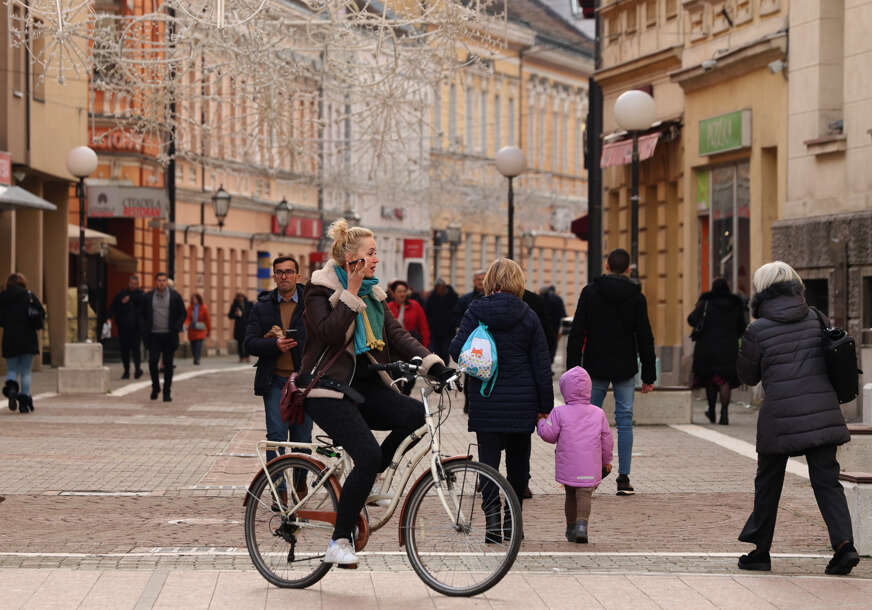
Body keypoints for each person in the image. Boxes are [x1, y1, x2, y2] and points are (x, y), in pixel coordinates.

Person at [301, 219, 454, 566]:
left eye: (376, 253)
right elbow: (330, 333)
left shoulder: (373, 294)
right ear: (350, 259)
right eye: (371, 253)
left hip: (364, 386)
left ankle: (370, 479)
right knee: (367, 454)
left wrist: (434, 364)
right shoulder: (318, 291)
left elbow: (397, 336)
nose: (377, 259)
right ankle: (339, 541)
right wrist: (350, 292)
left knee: (415, 414)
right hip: (327, 390)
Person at [736, 261, 859, 576]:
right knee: (827, 481)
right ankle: (845, 546)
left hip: (780, 416)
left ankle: (760, 551)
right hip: (822, 413)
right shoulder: (816, 317)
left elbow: (748, 376)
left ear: (761, 290)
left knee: (768, 481)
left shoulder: (758, 329)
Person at [450, 258, 553, 543]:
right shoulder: (528, 315)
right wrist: (545, 407)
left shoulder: (475, 311)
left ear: (490, 281)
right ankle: (514, 522)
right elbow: (541, 365)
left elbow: (457, 349)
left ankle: (492, 524)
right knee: (519, 466)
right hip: (522, 402)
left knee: (488, 465)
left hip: (486, 398)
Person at [566, 248, 656, 496]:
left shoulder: (590, 293)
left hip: (594, 366)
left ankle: (588, 474)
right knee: (625, 420)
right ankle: (623, 476)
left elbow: (578, 332)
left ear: (606, 265)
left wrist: (573, 368)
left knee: (588, 421)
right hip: (625, 366)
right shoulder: (636, 297)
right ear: (627, 269)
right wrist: (649, 375)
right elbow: (645, 336)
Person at [244, 256, 310, 496]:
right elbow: (249, 342)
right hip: (274, 382)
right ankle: (279, 489)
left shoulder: (311, 304)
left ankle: (300, 483)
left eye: (289, 272)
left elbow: (323, 338)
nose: (284, 276)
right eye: (280, 272)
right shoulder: (262, 307)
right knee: (276, 437)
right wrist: (274, 345)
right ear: (274, 276)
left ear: (297, 276)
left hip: (303, 381)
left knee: (302, 438)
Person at [537, 366, 613, 543]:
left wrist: (540, 421)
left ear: (565, 390)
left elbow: (549, 434)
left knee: (570, 495)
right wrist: (606, 460)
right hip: (590, 465)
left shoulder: (559, 412)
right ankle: (582, 526)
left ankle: (570, 528)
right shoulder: (598, 413)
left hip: (569, 465)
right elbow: (607, 440)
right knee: (585, 494)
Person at [687, 278, 747, 425]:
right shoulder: (736, 303)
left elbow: (692, 319)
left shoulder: (706, 301)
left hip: (707, 347)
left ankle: (712, 411)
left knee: (710, 379)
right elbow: (742, 326)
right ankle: (724, 414)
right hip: (728, 347)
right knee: (724, 380)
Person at [0, 273, 45, 413]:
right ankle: (24, 403)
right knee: (26, 372)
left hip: (10, 338)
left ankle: (12, 389)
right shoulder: (29, 296)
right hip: (28, 339)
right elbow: (41, 313)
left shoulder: (3, 297)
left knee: (11, 369)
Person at [141, 272, 186, 402]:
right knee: (152, 362)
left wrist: (177, 326)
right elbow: (142, 315)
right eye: (159, 280)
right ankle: (155, 387)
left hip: (169, 336)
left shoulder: (175, 297)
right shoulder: (148, 297)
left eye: (164, 280)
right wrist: (144, 330)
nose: (162, 283)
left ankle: (167, 391)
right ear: (155, 282)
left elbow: (182, 313)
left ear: (167, 282)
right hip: (154, 335)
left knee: (168, 365)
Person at [454, 270, 485, 414]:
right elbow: (458, 317)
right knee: (469, 373)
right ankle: (469, 402)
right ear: (474, 282)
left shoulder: (489, 298)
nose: (480, 282)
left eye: (483, 279)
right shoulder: (466, 299)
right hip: (469, 341)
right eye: (478, 279)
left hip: (485, 342)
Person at [109, 274, 144, 379]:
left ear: (138, 285)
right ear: (128, 283)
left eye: (135, 284)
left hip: (136, 328)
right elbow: (113, 307)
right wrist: (109, 317)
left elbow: (145, 309)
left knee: (136, 350)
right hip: (123, 327)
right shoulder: (121, 294)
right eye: (131, 283)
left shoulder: (141, 295)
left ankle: (137, 369)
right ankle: (126, 371)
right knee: (124, 350)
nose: (133, 286)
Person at [424, 278, 458, 364]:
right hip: (435, 330)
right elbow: (427, 312)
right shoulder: (432, 297)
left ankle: (444, 366)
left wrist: (453, 322)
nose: (439, 289)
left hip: (448, 330)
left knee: (445, 352)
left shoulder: (452, 297)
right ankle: (439, 366)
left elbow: (456, 311)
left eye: (441, 287)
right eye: (438, 287)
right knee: (436, 351)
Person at [541, 286, 567, 362]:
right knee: (553, 344)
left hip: (544, 325)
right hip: (555, 325)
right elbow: (563, 314)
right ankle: (550, 362)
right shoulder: (558, 299)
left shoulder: (541, 298)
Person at [185, 293, 211, 365]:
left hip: (200, 329)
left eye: (195, 299)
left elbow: (207, 320)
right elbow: (187, 318)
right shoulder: (190, 308)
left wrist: (209, 330)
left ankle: (197, 359)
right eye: (193, 299)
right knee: (193, 346)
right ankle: (195, 357)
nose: (194, 300)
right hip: (192, 330)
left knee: (198, 345)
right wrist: (186, 324)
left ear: (199, 299)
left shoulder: (203, 308)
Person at [228, 292, 253, 362]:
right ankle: (241, 357)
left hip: (247, 326)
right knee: (239, 343)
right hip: (239, 327)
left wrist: (244, 313)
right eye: (238, 297)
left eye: (241, 297)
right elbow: (230, 315)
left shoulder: (249, 304)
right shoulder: (234, 305)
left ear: (244, 297)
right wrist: (235, 314)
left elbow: (252, 313)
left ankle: (247, 356)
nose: (240, 298)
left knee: (247, 342)